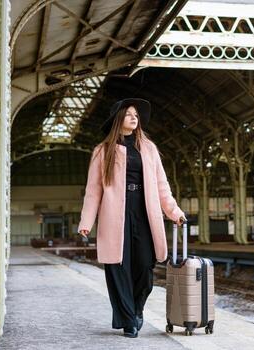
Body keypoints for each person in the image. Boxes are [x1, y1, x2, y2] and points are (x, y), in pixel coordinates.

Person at [77, 98, 186, 338]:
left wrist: (174, 212)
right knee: (118, 266)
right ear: (118, 120)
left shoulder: (148, 148)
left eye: (136, 115)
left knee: (146, 264)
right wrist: (86, 222)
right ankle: (128, 320)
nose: (134, 118)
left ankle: (137, 309)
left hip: (144, 211)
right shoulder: (102, 151)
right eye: (128, 114)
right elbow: (93, 190)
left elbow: (161, 185)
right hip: (114, 214)